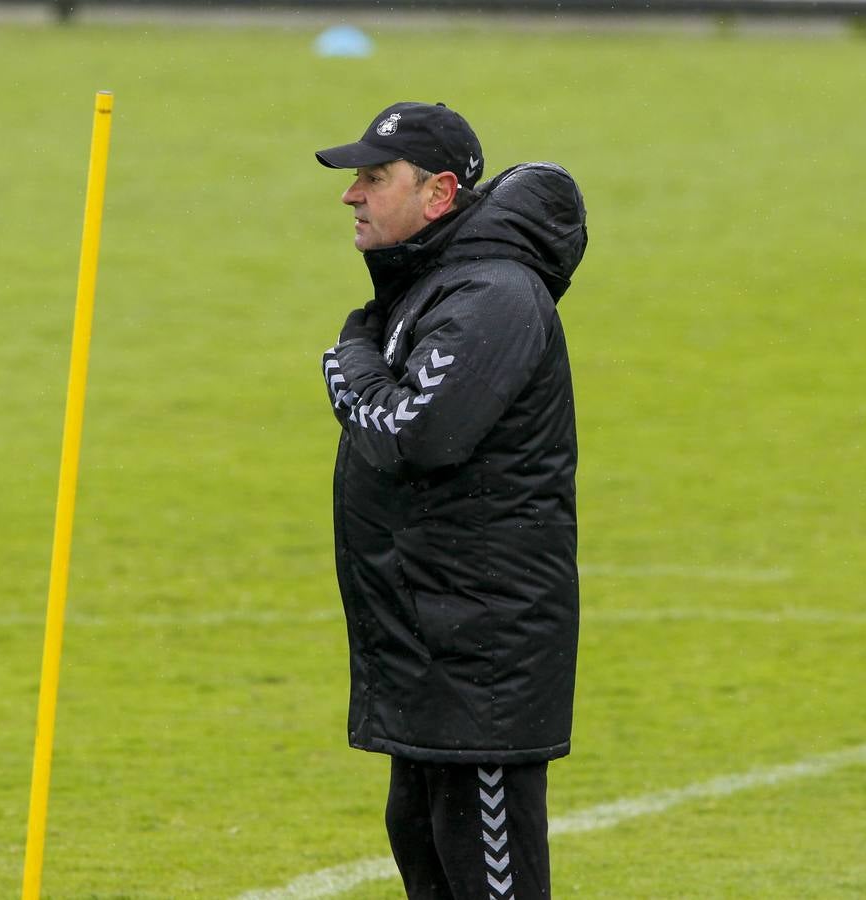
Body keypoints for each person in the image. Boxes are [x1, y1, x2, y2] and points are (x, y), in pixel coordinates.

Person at [315, 101, 587, 900]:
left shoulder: (493, 295)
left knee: (481, 874)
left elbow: (410, 433)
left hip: (481, 664)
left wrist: (349, 360)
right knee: (423, 844)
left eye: (373, 177)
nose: (351, 195)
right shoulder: (435, 287)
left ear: (437, 194)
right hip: (429, 643)